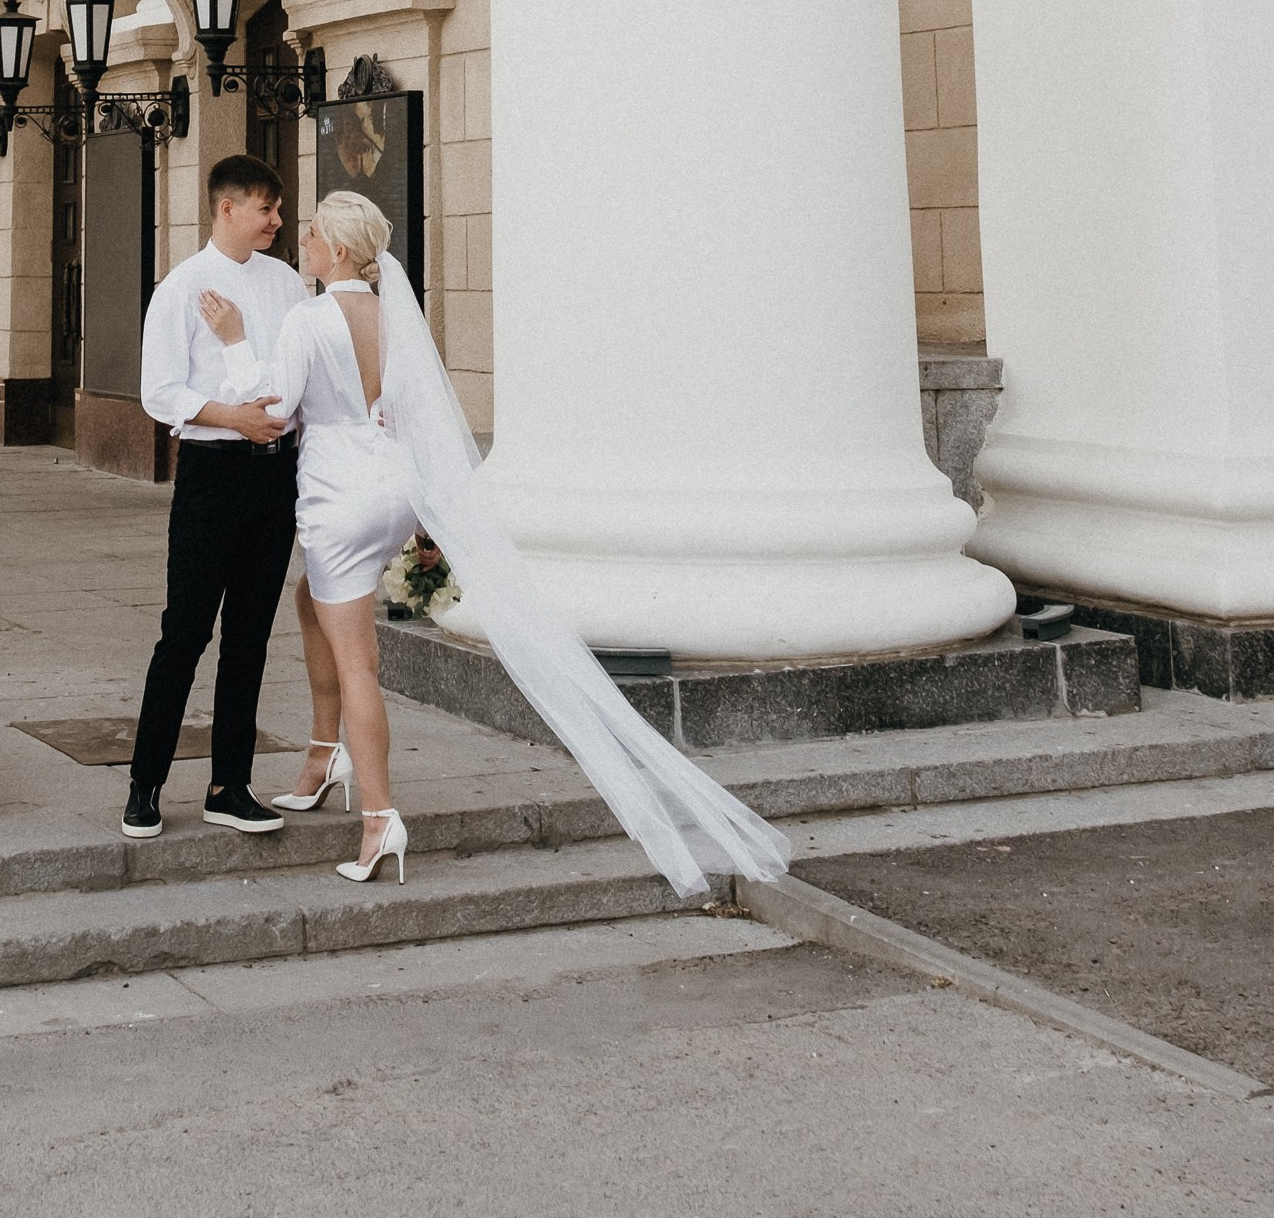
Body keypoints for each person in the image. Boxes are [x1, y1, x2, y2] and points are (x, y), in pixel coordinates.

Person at [205, 188, 792, 902]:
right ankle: (323, 755)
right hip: (395, 489)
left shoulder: (309, 318)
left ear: (334, 249)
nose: (299, 242)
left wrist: (234, 339)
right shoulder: (395, 316)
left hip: (339, 499)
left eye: (309, 236)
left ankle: (379, 818)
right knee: (312, 605)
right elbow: (416, 415)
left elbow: (271, 404)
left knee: (358, 659)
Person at [122, 152, 308, 842]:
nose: (276, 220)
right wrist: (234, 418)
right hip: (210, 473)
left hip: (274, 475)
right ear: (227, 208)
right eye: (266, 208)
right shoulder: (182, 286)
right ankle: (144, 785)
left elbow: (296, 372)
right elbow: (160, 391)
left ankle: (230, 785)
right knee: (185, 632)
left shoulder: (287, 283)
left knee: (250, 636)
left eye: (277, 209)